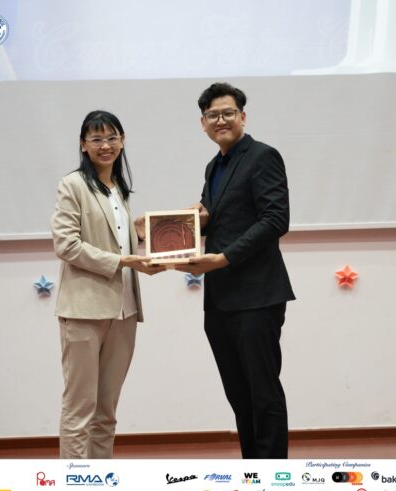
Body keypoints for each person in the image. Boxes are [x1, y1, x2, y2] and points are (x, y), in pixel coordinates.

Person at [176, 83, 295, 459]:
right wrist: (191, 220)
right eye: (212, 115)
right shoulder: (214, 165)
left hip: (257, 296)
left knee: (263, 394)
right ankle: (253, 472)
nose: (221, 120)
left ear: (243, 116)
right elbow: (218, 218)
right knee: (239, 395)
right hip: (221, 299)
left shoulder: (263, 156)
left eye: (228, 113)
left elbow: (275, 220)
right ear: (203, 123)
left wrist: (224, 258)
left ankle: (274, 479)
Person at [51, 110, 160, 459]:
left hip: (124, 313)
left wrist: (138, 235)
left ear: (122, 141)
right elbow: (66, 245)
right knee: (79, 409)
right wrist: (123, 261)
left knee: (106, 412)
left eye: (112, 137)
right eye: (96, 139)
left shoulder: (119, 189)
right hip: (84, 311)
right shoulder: (73, 185)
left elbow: (112, 238)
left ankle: (100, 479)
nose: (105, 145)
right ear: (83, 145)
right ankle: (75, 484)